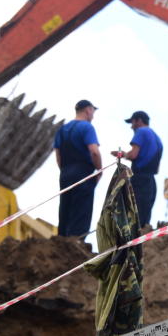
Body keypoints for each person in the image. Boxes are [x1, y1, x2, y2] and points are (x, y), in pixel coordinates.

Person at [53, 100, 102, 237]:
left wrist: (65, 171)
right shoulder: (87, 128)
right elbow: (94, 151)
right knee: (81, 211)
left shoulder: (62, 130)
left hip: (65, 173)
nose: (93, 115)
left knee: (65, 209)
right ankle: (76, 243)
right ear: (88, 110)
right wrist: (99, 170)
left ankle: (62, 242)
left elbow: (58, 156)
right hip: (83, 173)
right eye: (93, 111)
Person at [112, 110, 163, 227]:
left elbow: (133, 154)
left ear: (139, 121)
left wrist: (121, 155)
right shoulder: (157, 138)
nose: (131, 127)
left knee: (134, 212)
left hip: (139, 179)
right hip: (151, 181)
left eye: (132, 122)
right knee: (144, 215)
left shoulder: (141, 132)